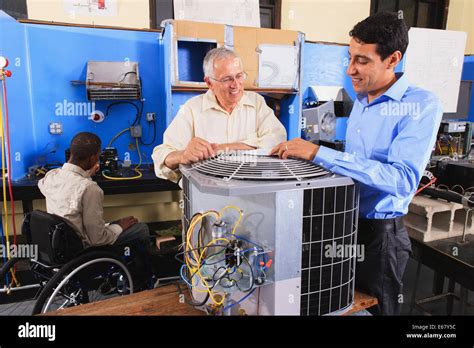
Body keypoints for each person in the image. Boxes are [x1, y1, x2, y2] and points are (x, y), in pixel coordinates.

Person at [271, 12, 443, 315]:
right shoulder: (363, 100)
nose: (351, 69)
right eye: (350, 57)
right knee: (342, 305)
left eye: (362, 61)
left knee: (378, 309)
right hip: (347, 224)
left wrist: (317, 153)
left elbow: (402, 179)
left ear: (393, 59)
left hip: (381, 239)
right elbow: (358, 165)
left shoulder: (421, 105)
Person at [152, 47, 287, 182]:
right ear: (209, 82)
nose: (236, 85)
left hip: (250, 193)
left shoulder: (256, 102)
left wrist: (226, 148)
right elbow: (161, 155)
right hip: (206, 196)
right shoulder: (192, 109)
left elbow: (277, 139)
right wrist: (183, 155)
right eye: (227, 79)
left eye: (239, 76)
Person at [38, 132, 154, 283]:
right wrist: (119, 227)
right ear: (93, 158)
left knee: (117, 223)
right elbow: (97, 239)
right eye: (98, 155)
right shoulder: (90, 189)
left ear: (71, 152)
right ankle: (144, 280)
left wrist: (86, 174)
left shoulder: (51, 176)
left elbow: (59, 187)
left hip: (59, 244)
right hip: (82, 250)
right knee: (140, 229)